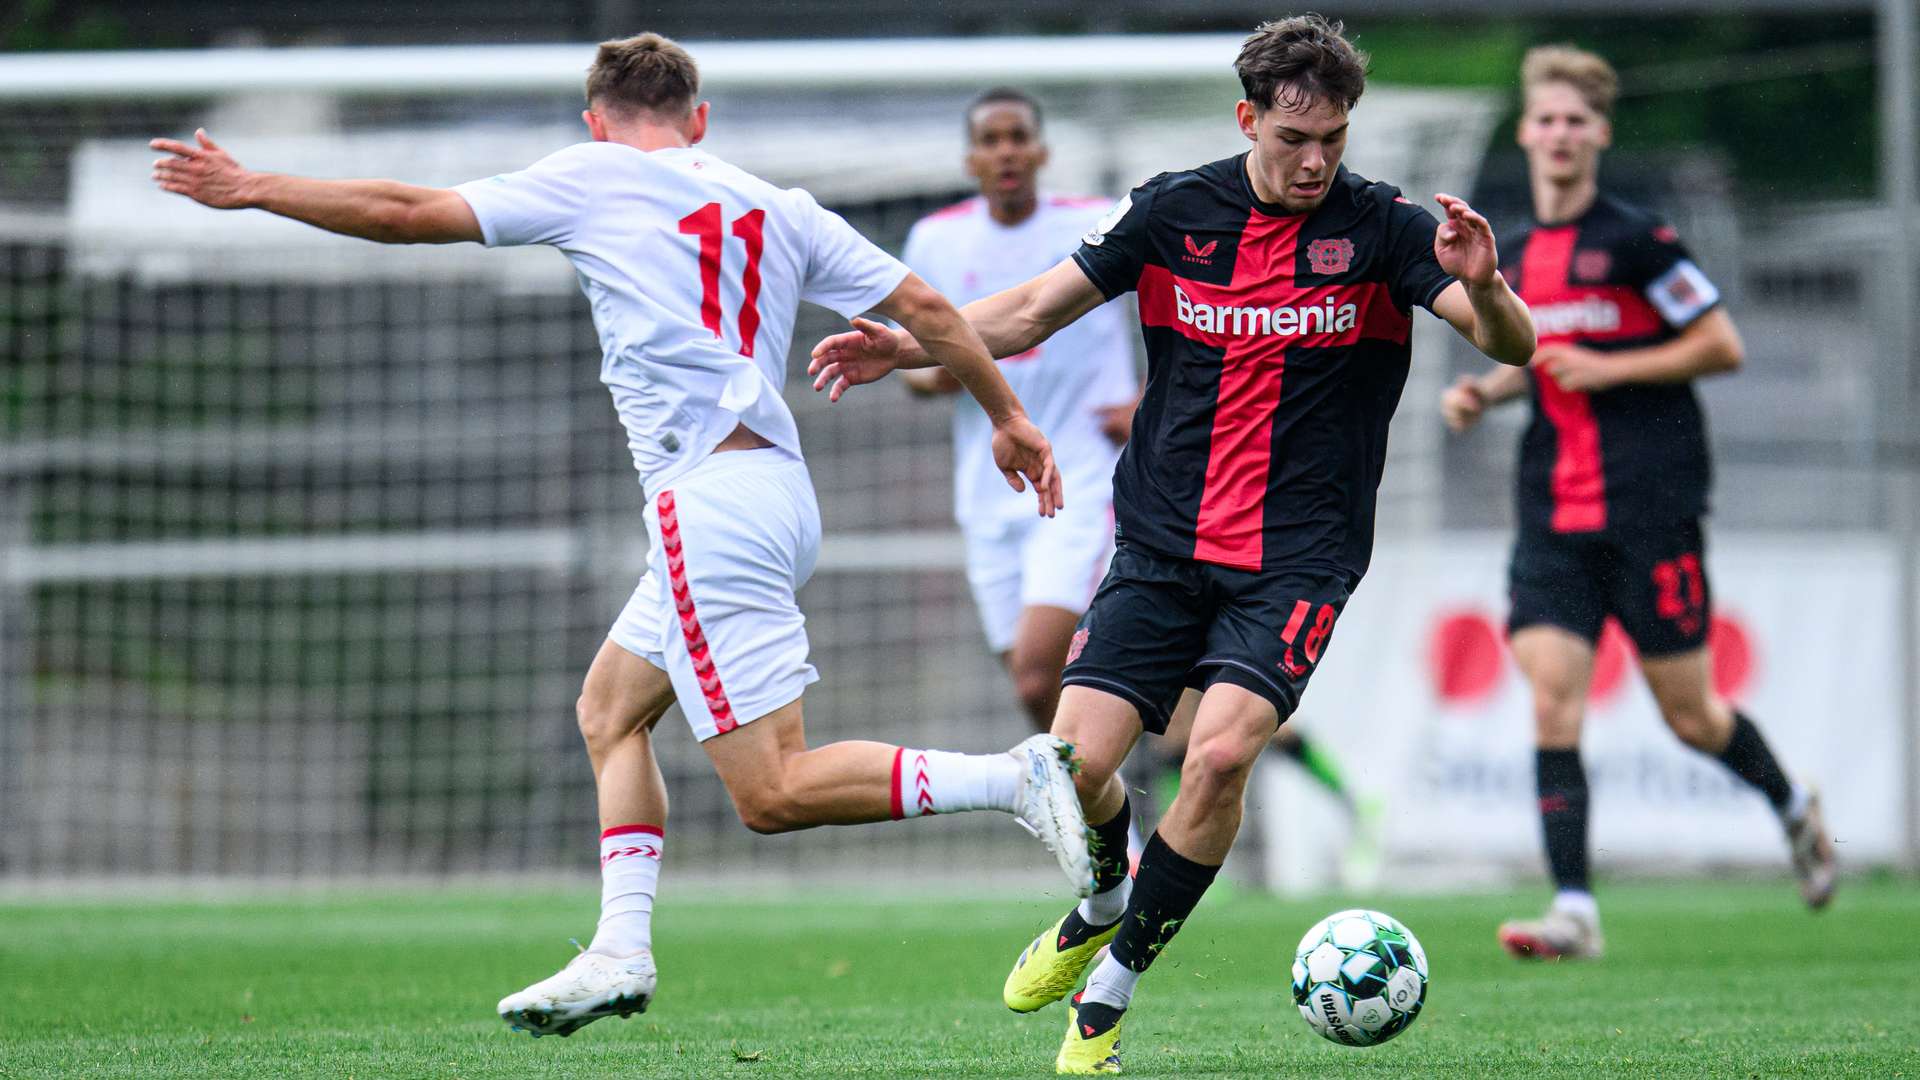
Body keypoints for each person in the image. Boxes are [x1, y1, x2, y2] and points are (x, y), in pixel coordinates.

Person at [151, 32, 1094, 1039]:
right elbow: (931, 311)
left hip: (709, 508)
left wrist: (251, 189)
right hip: (774, 492)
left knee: (772, 791)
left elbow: (406, 211)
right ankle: (619, 953)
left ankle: (1012, 777)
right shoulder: (778, 203)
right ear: (699, 121)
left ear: (595, 121)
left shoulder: (591, 174)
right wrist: (1009, 415)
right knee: (609, 709)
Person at [811, 17, 1535, 1072]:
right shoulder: (1172, 208)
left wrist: (1493, 281)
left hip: (1300, 556)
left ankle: (1109, 992)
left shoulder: (1383, 226)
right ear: (1249, 118)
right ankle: (1102, 895)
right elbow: (1026, 313)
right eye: (1295, 136)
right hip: (1159, 544)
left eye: (1333, 135)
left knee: (1224, 751)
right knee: (1072, 767)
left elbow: (1508, 342)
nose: (1315, 158)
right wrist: (909, 341)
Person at [1439, 44, 1837, 962]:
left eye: (1578, 120)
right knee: (1552, 706)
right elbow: (1540, 355)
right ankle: (1575, 908)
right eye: (1546, 118)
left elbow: (1721, 343)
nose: (1560, 134)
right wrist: (1484, 393)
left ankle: (1790, 806)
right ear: (1528, 132)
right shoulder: (1515, 255)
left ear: (1600, 134)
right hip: (1551, 514)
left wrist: (1615, 366)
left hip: (1650, 509)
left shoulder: (1640, 241)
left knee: (1692, 717)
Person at [899, 87, 1137, 732]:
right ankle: (1118, 826)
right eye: (991, 140)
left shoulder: (1096, 224)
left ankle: (1135, 803)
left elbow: (1190, 308)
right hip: (987, 491)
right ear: (971, 159)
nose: (1006, 152)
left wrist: (1152, 400)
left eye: (1017, 137)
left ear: (1041, 152)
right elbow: (911, 368)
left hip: (1079, 479)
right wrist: (934, 378)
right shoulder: (936, 240)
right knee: (1035, 694)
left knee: (1040, 669)